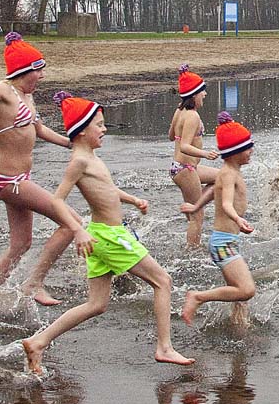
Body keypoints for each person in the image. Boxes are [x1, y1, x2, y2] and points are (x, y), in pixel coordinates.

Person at [22, 91, 194, 374]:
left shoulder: (89, 157)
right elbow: (56, 200)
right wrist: (78, 231)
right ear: (81, 130)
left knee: (96, 304)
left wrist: (132, 200)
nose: (104, 129)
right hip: (109, 237)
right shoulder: (79, 160)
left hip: (102, 234)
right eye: (99, 125)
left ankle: (38, 342)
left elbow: (105, 190)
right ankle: (164, 347)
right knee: (163, 280)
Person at [0, 33, 94, 306]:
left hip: (20, 179)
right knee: (72, 223)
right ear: (24, 71)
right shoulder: (3, 91)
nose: (42, 76)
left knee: (21, 244)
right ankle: (34, 283)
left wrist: (71, 144)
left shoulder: (26, 96)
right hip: (10, 181)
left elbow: (39, 129)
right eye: (38, 71)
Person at [180, 111, 256, 326]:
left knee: (238, 295)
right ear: (234, 152)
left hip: (227, 241)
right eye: (247, 148)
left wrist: (196, 206)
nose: (251, 151)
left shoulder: (226, 172)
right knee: (246, 290)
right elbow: (226, 204)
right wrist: (238, 219)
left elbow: (214, 190)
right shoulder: (229, 174)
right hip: (223, 243)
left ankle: (238, 325)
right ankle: (198, 297)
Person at [168, 64, 219, 248]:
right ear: (194, 94)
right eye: (202, 91)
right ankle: (192, 253)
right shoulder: (192, 116)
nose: (205, 94)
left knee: (221, 178)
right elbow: (184, 146)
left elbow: (171, 136)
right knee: (197, 216)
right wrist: (205, 153)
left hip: (183, 167)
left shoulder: (179, 111)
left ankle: (194, 205)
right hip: (185, 169)